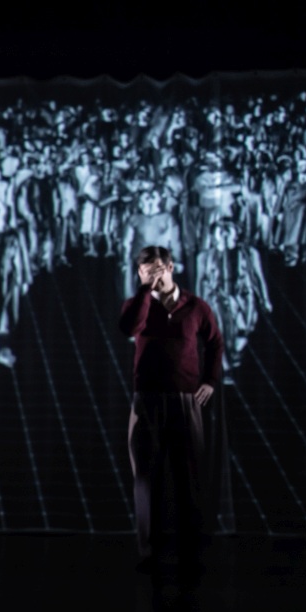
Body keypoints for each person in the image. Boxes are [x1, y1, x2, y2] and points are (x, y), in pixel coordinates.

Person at [118, 245, 223, 576]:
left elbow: (215, 342)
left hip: (185, 400)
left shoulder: (195, 306)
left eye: (158, 268)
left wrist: (209, 381)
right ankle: (147, 550)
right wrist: (144, 293)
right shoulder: (138, 304)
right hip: (146, 399)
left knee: (188, 476)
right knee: (145, 478)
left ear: (172, 267)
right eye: (145, 270)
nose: (153, 274)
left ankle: (191, 549)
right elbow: (128, 329)